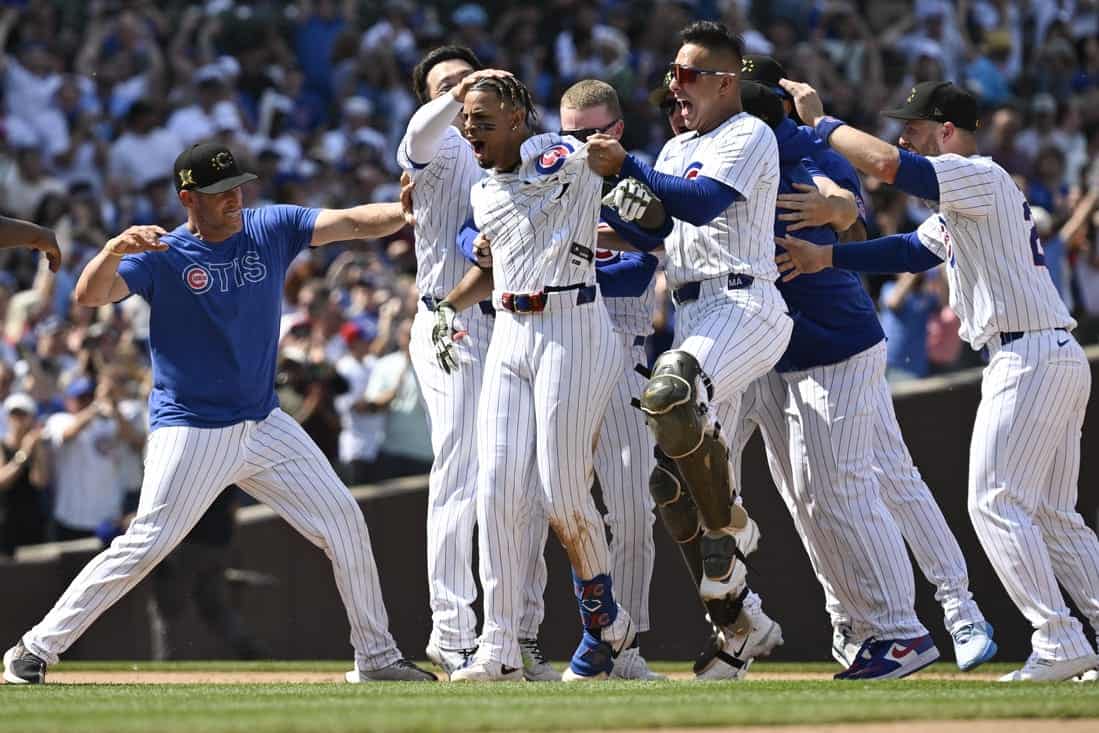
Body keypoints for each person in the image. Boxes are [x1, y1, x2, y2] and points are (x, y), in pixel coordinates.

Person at [2, 141, 434, 685]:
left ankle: (375, 657)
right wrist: (113, 249)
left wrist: (404, 212)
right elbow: (91, 295)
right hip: (192, 427)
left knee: (345, 522)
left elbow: (349, 222)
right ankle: (34, 649)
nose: (234, 198)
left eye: (237, 187)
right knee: (146, 543)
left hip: (264, 421)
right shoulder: (164, 251)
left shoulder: (268, 226)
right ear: (188, 197)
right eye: (219, 192)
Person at [776, 79, 1099, 682]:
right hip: (1044, 352)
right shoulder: (965, 200)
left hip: (1028, 355)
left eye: (915, 124)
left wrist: (819, 126)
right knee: (1053, 514)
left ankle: (1058, 639)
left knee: (995, 501)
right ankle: (1082, 635)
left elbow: (891, 165)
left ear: (946, 130)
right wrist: (831, 258)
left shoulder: (977, 173)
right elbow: (908, 252)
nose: (904, 134)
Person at [742, 57, 996, 673]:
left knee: (883, 480)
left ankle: (956, 610)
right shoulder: (722, 150)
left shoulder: (808, 146)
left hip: (838, 341)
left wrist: (837, 210)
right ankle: (852, 620)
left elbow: (857, 204)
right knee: (811, 495)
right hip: (778, 352)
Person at [588, 21, 792, 679]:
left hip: (743, 302)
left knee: (670, 392)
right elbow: (648, 223)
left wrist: (627, 166)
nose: (674, 87)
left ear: (724, 80)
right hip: (694, 309)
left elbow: (701, 206)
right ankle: (740, 623)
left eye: (686, 74)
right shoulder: (676, 149)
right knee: (667, 483)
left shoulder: (748, 134)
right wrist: (585, 207)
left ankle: (731, 527)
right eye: (672, 75)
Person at [433, 74, 638, 682]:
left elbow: (618, 186)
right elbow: (496, 268)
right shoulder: (484, 191)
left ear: (518, 119)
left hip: (573, 325)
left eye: (483, 120)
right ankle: (497, 647)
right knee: (493, 486)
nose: (471, 130)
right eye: (466, 121)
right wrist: (448, 306)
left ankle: (604, 616)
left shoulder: (556, 155)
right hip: (511, 330)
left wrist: (617, 167)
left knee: (561, 491)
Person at [394, 47, 516, 678]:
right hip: (449, 319)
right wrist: (459, 91)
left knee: (510, 474)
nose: (464, 92)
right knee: (460, 465)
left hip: (513, 321)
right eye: (446, 85)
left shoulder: (504, 146)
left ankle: (510, 634)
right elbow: (417, 133)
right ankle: (450, 629)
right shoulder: (430, 144)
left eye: (470, 80)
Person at [42, 377, 132, 542]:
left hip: (107, 517)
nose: (86, 401)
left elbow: (131, 438)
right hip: (71, 518)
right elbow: (68, 433)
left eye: (90, 397)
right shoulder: (59, 420)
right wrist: (97, 404)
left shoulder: (109, 423)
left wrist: (115, 405)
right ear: (68, 401)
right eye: (81, 398)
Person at [0, 393, 49, 557]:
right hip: (6, 522)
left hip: (31, 520)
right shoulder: (2, 445)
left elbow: (40, 482)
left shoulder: (35, 446)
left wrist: (37, 449)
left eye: (23, 414)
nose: (18, 420)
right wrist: (24, 454)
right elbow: (2, 481)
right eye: (14, 414)